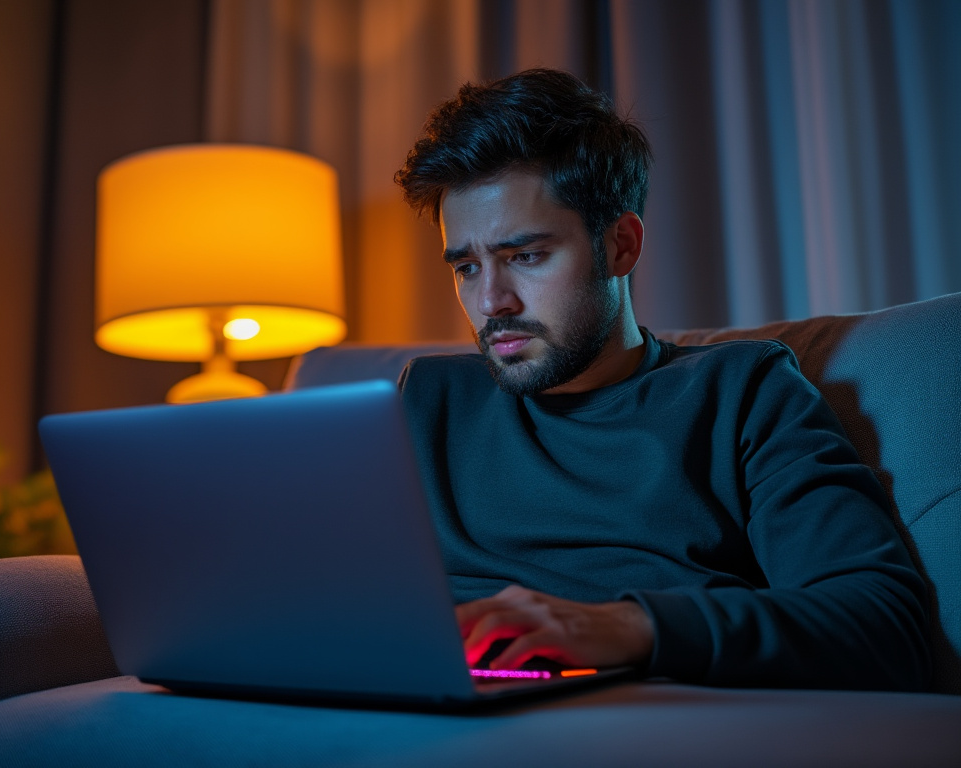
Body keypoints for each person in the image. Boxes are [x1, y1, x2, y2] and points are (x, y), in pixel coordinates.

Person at [392, 68, 930, 690]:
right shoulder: (425, 402)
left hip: (620, 711)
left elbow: (884, 625)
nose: (491, 302)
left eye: (526, 256)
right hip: (417, 699)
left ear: (620, 245)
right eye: (465, 266)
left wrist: (627, 628)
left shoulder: (740, 392)